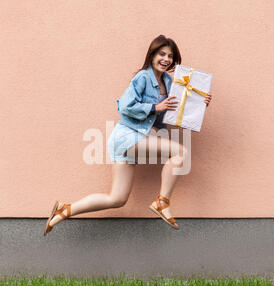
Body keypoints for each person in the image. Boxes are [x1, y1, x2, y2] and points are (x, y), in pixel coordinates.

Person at [44, 35, 212, 235]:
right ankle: (162, 202)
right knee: (180, 153)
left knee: (117, 199)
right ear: (152, 55)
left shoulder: (169, 81)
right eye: (162, 54)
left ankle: (65, 210)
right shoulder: (143, 77)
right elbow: (124, 107)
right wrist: (155, 107)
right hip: (128, 136)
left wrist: (199, 104)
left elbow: (174, 112)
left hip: (133, 140)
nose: (166, 59)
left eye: (170, 56)